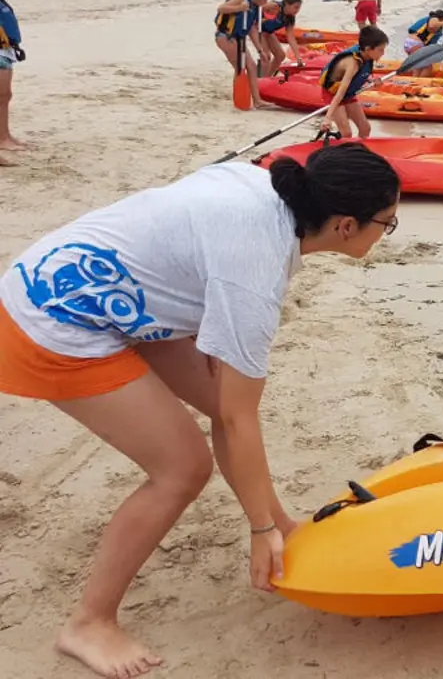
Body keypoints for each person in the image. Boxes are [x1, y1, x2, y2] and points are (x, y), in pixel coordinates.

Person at [0, 143, 401, 679]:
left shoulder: (265, 186)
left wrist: (270, 522)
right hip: (53, 317)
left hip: (94, 278)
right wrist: (256, 531)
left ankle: (281, 523)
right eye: (387, 223)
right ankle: (89, 622)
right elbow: (240, 420)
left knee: (220, 398)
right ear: (347, 225)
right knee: (182, 469)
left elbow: (189, 236)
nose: (389, 232)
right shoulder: (254, 278)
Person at [318, 25, 389, 139]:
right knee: (346, 133)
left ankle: (357, 153)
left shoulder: (367, 55)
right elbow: (340, 93)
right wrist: (328, 118)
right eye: (380, 49)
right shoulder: (352, 63)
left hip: (348, 94)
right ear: (367, 49)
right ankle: (343, 154)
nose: (383, 53)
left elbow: (360, 76)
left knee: (365, 128)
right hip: (334, 94)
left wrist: (371, 80)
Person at [214, 0, 270, 109]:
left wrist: (260, 50)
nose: (267, 1)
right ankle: (239, 99)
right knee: (240, 67)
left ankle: (257, 100)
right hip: (226, 37)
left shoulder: (255, 7)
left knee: (252, 66)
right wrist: (239, 8)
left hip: (240, 39)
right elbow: (221, 8)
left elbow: (252, 30)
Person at [0, 0, 26, 165]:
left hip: (6, 50)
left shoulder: (1, 1)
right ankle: (2, 138)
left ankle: (5, 136)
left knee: (5, 95)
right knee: (1, 96)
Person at [258, 0, 303, 77]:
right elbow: (256, 8)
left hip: (268, 32)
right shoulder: (274, 6)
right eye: (295, 7)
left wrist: (298, 57)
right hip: (257, 30)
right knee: (266, 56)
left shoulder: (290, 18)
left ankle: (267, 77)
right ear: (287, 4)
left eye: (299, 8)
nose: (297, 11)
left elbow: (291, 37)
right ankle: (260, 79)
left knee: (280, 55)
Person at [404, 9, 443, 77]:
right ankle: (421, 84)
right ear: (441, 19)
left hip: (409, 44)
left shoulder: (437, 31)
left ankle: (415, 82)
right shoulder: (434, 18)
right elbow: (432, 25)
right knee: (428, 67)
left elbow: (429, 46)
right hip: (415, 43)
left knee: (418, 67)